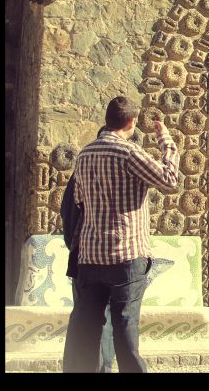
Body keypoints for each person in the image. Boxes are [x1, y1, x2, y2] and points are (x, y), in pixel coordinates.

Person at [63, 96, 179, 373]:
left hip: (90, 256)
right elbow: (170, 181)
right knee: (125, 328)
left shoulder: (84, 154)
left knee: (88, 331)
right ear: (132, 121)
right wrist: (166, 141)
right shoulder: (129, 153)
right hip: (126, 255)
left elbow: (78, 199)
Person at [61, 127, 114, 373]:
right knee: (103, 318)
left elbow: (69, 214)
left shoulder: (82, 170)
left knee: (84, 316)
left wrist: (74, 244)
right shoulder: (121, 172)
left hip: (82, 256)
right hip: (110, 257)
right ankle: (100, 367)